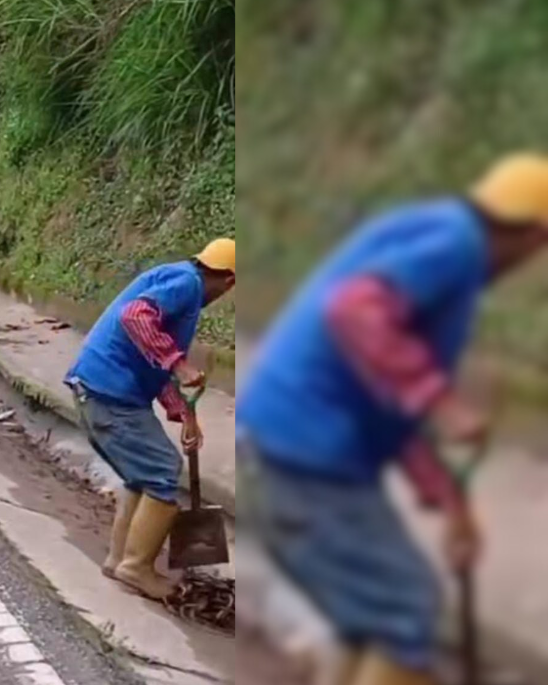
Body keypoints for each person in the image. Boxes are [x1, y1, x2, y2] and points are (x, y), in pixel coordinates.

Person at [238, 154, 548, 685]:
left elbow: (386, 393)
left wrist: (451, 503)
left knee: (370, 619)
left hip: (289, 446)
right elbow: (355, 310)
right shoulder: (457, 244)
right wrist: (440, 402)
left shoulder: (439, 236)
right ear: (533, 235)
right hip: (303, 453)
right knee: (404, 606)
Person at [64, 238, 237, 599]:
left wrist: (183, 412)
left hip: (98, 391)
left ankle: (119, 560)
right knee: (162, 469)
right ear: (229, 281)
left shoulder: (177, 279)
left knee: (142, 477)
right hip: (109, 394)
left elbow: (152, 358)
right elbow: (134, 317)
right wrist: (180, 364)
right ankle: (136, 567)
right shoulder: (187, 284)